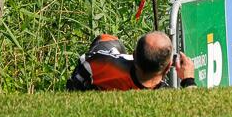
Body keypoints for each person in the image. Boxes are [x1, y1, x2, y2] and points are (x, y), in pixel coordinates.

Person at [66, 32, 196, 91]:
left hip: (111, 61)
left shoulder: (97, 64)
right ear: (168, 68)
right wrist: (188, 80)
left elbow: (84, 64)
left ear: (134, 55)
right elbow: (194, 108)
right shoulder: (166, 94)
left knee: (107, 40)